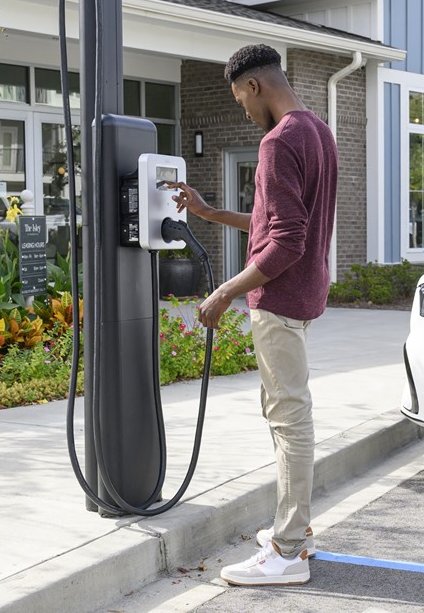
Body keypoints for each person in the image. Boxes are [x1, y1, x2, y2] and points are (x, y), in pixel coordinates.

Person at [166, 44, 337, 587]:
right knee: (287, 417)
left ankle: (288, 552)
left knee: (290, 421)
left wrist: (223, 293)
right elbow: (276, 222)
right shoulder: (318, 131)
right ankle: (294, 532)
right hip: (304, 297)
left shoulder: (278, 141)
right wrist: (211, 212)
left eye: (239, 96)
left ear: (256, 85)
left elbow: (285, 242)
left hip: (280, 303)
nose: (241, 108)